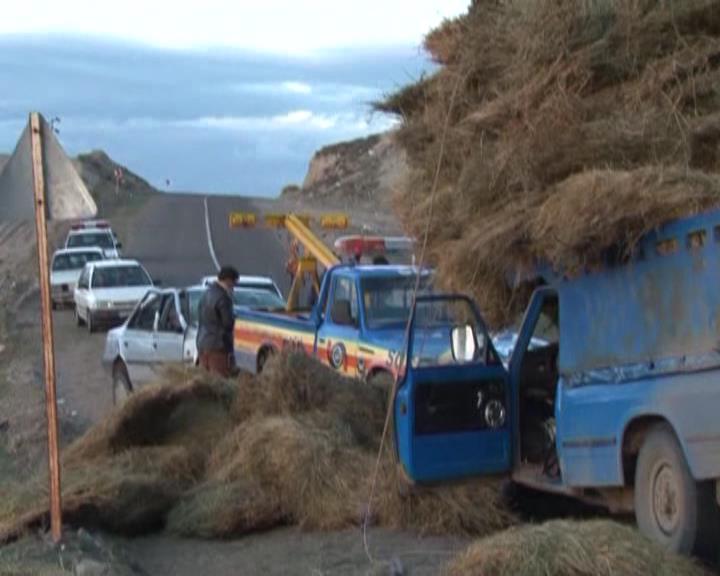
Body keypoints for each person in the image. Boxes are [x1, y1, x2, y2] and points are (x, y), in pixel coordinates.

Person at [197, 266, 238, 377]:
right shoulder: (223, 297)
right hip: (218, 346)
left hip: (202, 343)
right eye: (234, 283)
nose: (234, 288)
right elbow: (228, 323)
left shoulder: (206, 294)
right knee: (220, 382)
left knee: (205, 382)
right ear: (229, 280)